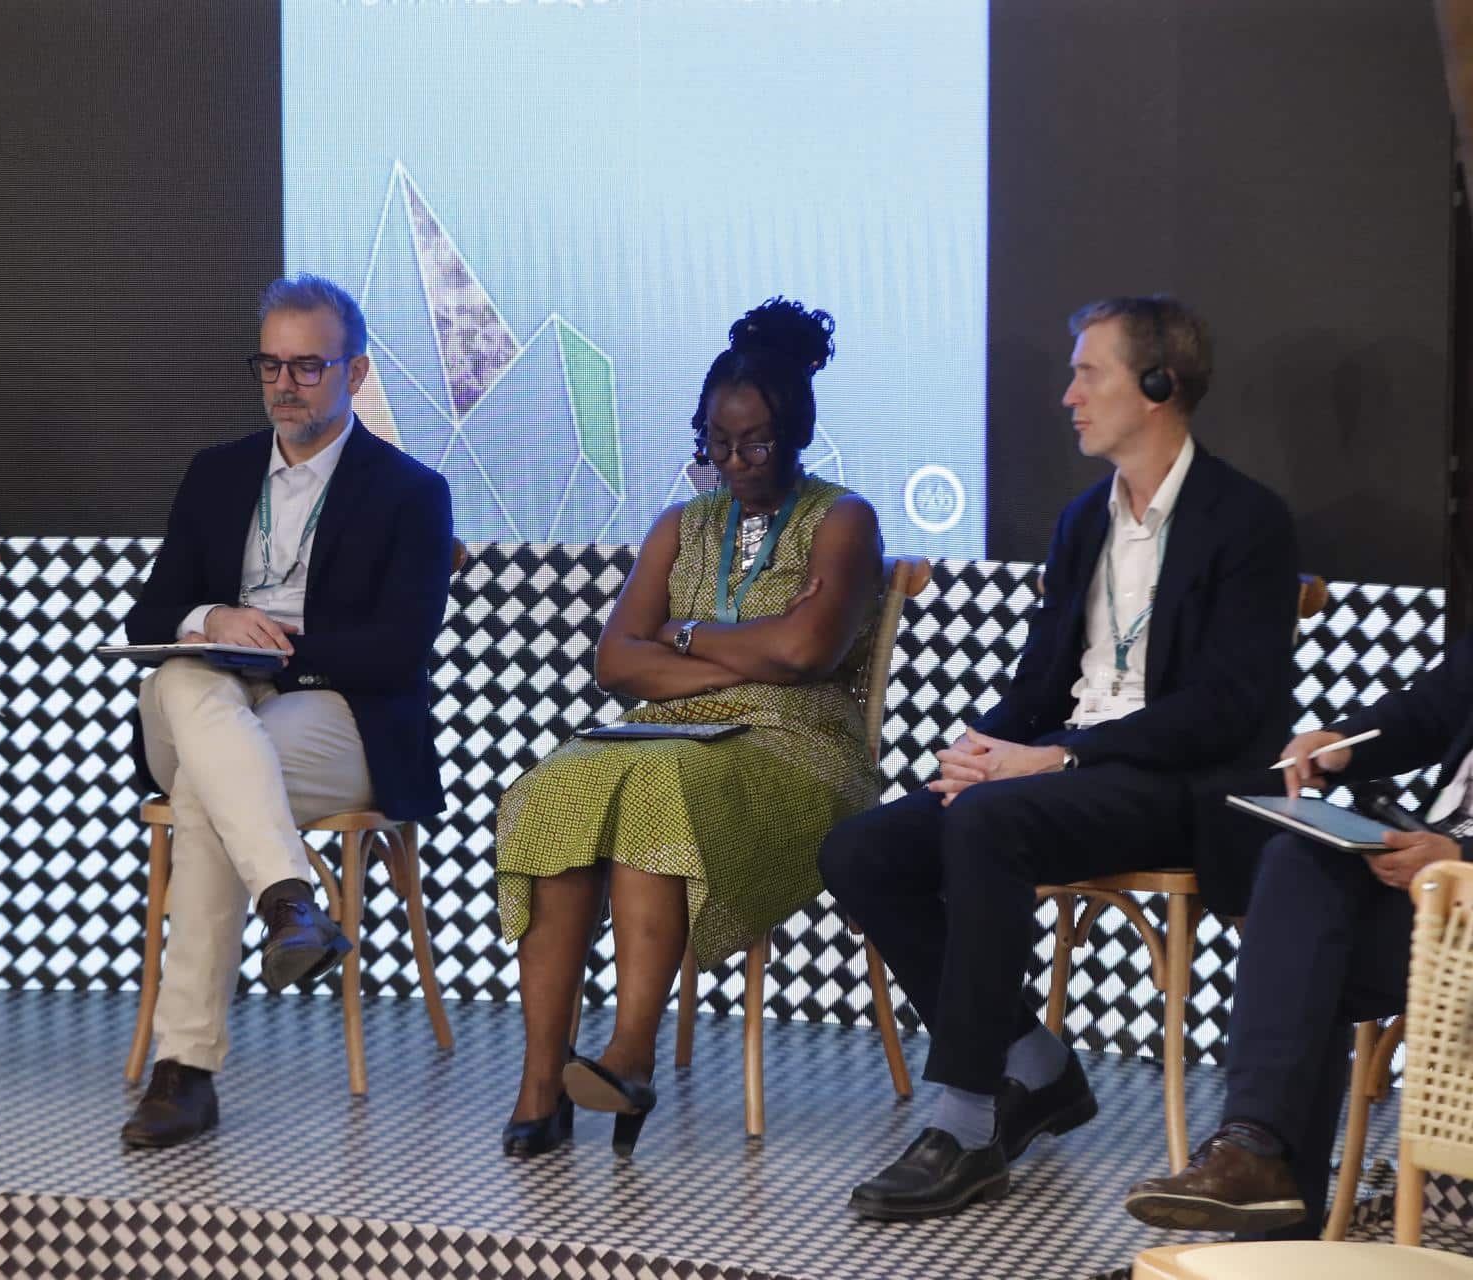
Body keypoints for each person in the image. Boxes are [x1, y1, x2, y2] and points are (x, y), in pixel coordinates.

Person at [818, 296, 1300, 1220]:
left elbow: (1228, 712)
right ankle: (1034, 1065)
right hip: (1070, 771)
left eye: (1090, 373)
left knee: (996, 819)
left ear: (1158, 386)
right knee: (863, 849)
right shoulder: (1085, 520)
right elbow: (1042, 685)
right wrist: (982, 748)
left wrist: (1060, 760)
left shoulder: (1250, 522)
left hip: (1179, 787)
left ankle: (964, 1123)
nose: (1068, 395)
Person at [495, 298, 885, 1160]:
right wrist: (746, 654)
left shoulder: (844, 518)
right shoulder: (680, 524)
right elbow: (614, 662)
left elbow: (807, 654)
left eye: (757, 443)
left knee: (661, 788)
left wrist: (684, 639)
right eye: (717, 441)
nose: (736, 461)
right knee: (551, 788)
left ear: (796, 435)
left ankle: (631, 1055)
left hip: (801, 749)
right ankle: (540, 1081)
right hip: (662, 736)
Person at [118, 274, 454, 1148]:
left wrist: (283, 647)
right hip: (209, 700)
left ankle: (184, 1070)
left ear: (357, 372)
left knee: (206, 791)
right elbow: (150, 621)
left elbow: (397, 652)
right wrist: (214, 621)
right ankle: (291, 900)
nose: (285, 384)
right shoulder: (218, 472)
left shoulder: (411, 491)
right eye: (270, 364)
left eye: (308, 366)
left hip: (336, 711)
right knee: (188, 679)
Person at [1124, 629, 1473, 1235]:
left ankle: (1265, 1210)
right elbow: (1431, 707)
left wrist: (1462, 856)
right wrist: (1342, 745)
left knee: (1312, 965)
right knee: (1297, 866)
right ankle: (1252, 1149)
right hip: (1440, 896)